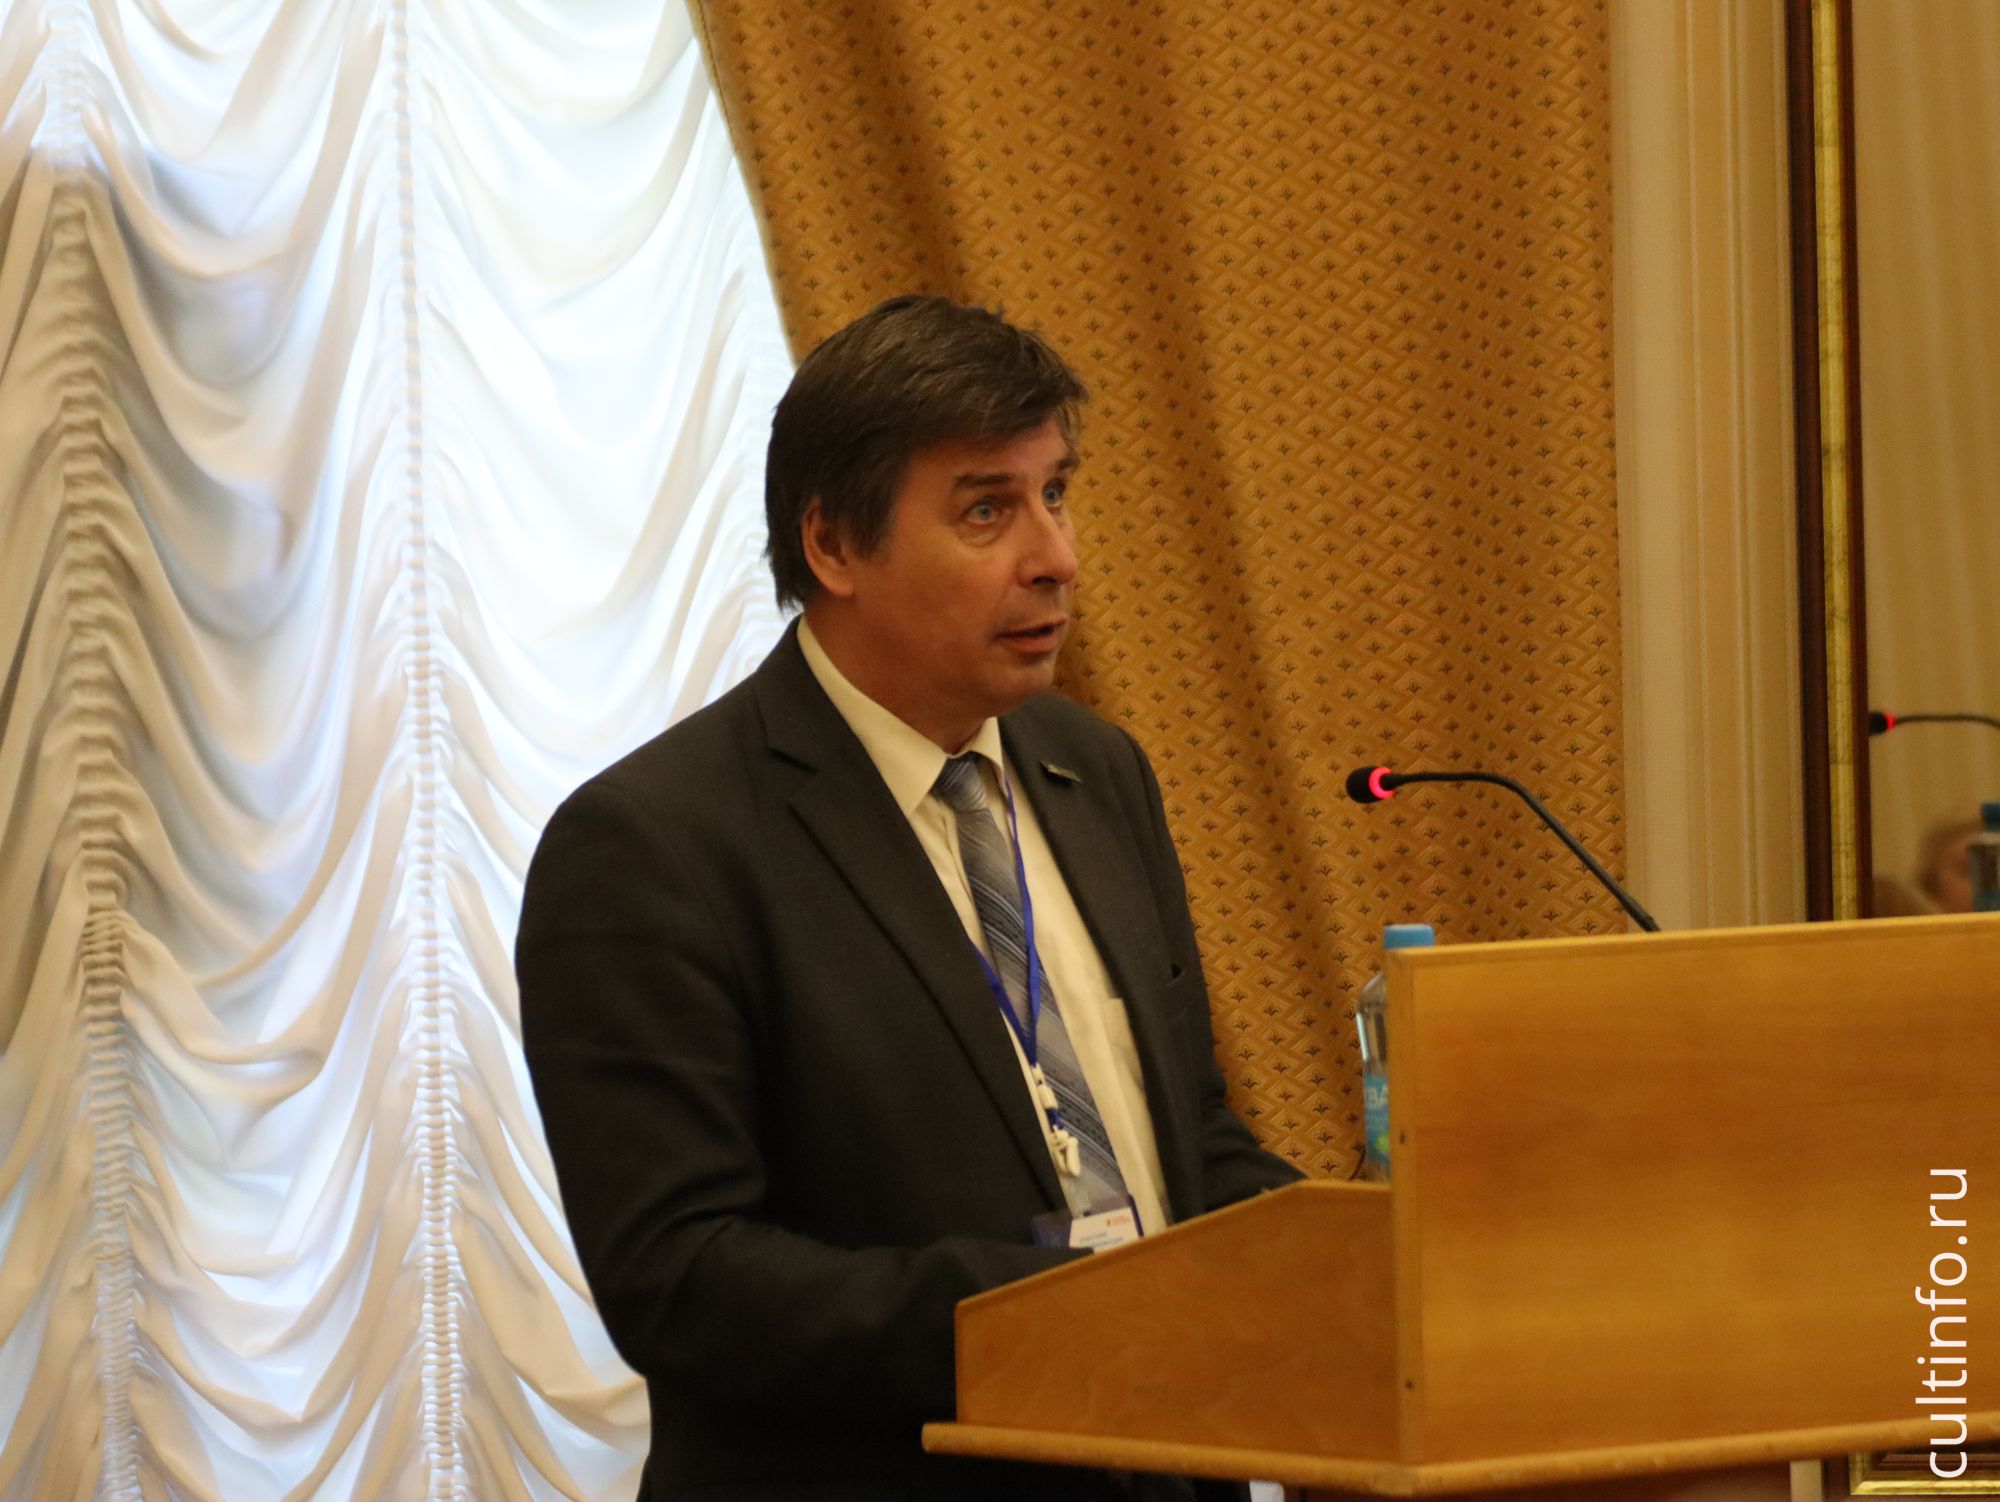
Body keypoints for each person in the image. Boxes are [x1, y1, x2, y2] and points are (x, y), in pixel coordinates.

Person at [516, 295, 1301, 1501]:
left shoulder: (1094, 771)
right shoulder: (653, 845)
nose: (1054, 555)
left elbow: (1180, 1136)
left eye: (1055, 492)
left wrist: (1353, 1258)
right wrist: (1054, 1311)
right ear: (833, 545)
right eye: (986, 509)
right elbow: (679, 1276)